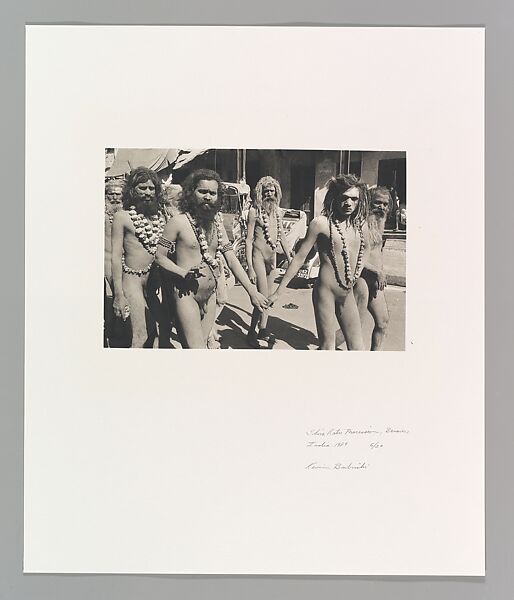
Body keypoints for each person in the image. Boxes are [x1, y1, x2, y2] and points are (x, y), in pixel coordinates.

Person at [155, 169, 268, 349]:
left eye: (212, 193)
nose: (208, 197)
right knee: (196, 350)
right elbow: (159, 257)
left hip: (210, 295)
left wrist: (252, 292)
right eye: (202, 192)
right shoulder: (178, 222)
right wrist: (181, 272)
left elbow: (231, 259)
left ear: (218, 197)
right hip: (187, 295)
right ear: (192, 193)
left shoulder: (216, 224)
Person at [268, 174, 369, 350]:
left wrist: (358, 271)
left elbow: (366, 248)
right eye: (344, 198)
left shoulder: (360, 225)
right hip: (325, 292)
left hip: (347, 292)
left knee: (358, 348)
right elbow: (300, 257)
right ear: (334, 198)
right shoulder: (321, 224)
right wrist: (278, 291)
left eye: (354, 199)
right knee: (327, 347)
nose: (349, 203)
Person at [111, 167, 166, 347]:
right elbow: (115, 258)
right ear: (132, 190)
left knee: (158, 333)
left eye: (151, 188)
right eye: (142, 188)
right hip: (132, 281)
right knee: (140, 335)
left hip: (152, 285)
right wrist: (118, 295)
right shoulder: (122, 217)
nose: (148, 192)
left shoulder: (160, 217)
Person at [245, 176, 292, 348]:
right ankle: (251, 333)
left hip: (271, 259)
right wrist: (249, 267)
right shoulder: (254, 212)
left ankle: (263, 329)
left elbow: (282, 237)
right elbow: (249, 240)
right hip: (258, 258)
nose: (269, 195)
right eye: (266, 192)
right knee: (263, 298)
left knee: (270, 298)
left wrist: (289, 257)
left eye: (272, 191)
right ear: (260, 193)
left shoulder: (278, 212)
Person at [354, 186, 392, 350]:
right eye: (377, 203)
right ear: (369, 202)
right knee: (353, 328)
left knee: (382, 322)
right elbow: (354, 256)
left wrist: (380, 272)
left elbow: (377, 252)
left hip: (375, 283)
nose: (382, 207)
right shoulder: (359, 224)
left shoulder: (380, 221)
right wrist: (376, 271)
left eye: (385, 204)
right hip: (360, 280)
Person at [104, 179, 128, 347]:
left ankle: (124, 331)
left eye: (117, 193)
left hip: (125, 264)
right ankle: (111, 331)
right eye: (110, 194)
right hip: (105, 263)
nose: (114, 197)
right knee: (109, 299)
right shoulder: (101, 215)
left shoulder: (128, 215)